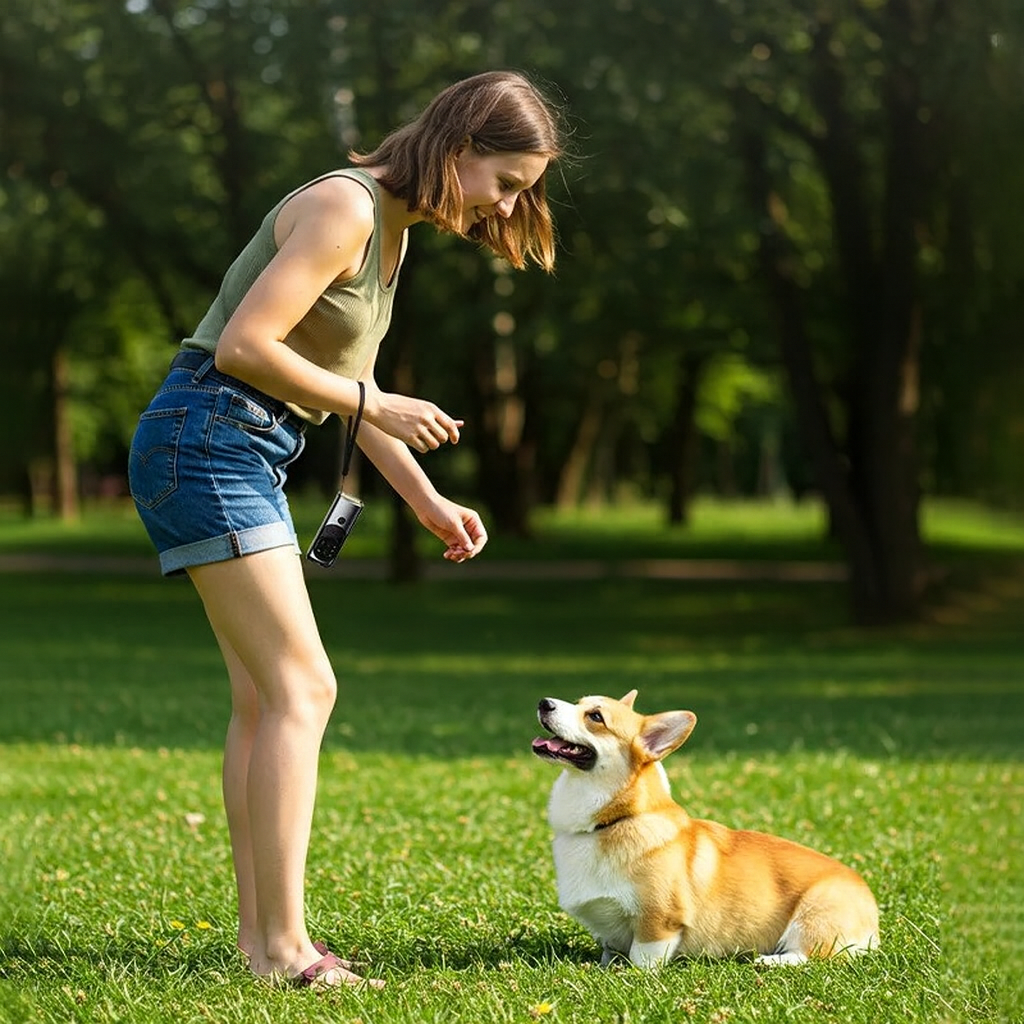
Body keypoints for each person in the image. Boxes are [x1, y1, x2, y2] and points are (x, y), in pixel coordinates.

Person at [127, 70, 564, 989]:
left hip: (236, 446)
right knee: (303, 689)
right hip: (206, 439)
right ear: (459, 148)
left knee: (264, 699)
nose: (504, 206)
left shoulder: (392, 236)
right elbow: (248, 347)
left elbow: (347, 393)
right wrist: (376, 400)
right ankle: (286, 951)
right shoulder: (346, 206)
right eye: (506, 182)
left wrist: (426, 500)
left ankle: (262, 944)